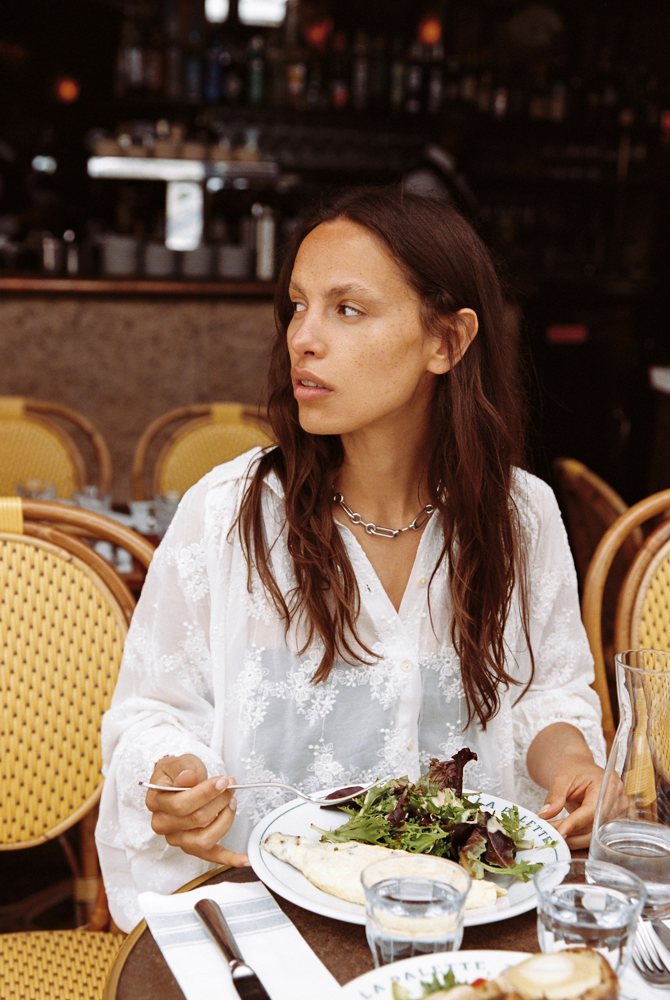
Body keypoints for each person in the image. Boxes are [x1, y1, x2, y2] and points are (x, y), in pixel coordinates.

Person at [97, 188, 606, 933]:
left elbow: (546, 697)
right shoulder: (230, 512)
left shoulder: (518, 515)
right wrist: (173, 778)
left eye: (347, 309)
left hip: (467, 917)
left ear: (447, 342)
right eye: (298, 306)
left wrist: (573, 767)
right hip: (267, 920)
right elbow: (151, 712)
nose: (303, 337)